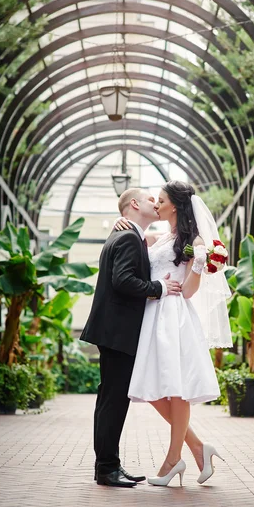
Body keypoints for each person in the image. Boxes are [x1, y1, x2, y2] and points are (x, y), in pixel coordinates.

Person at [115, 180, 232, 486]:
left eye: (162, 200)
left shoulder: (193, 242)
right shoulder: (162, 236)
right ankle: (197, 447)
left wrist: (198, 266)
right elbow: (137, 241)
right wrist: (119, 220)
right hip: (152, 314)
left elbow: (190, 291)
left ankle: (172, 459)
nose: (157, 204)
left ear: (176, 206)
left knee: (175, 388)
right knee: (151, 385)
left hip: (173, 315)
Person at [80, 188, 182, 488]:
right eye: (152, 199)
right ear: (135, 204)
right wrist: (159, 288)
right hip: (117, 331)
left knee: (110, 400)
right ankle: (107, 469)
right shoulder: (126, 236)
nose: (156, 203)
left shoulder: (127, 234)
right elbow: (122, 280)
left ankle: (108, 465)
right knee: (113, 402)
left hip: (114, 330)